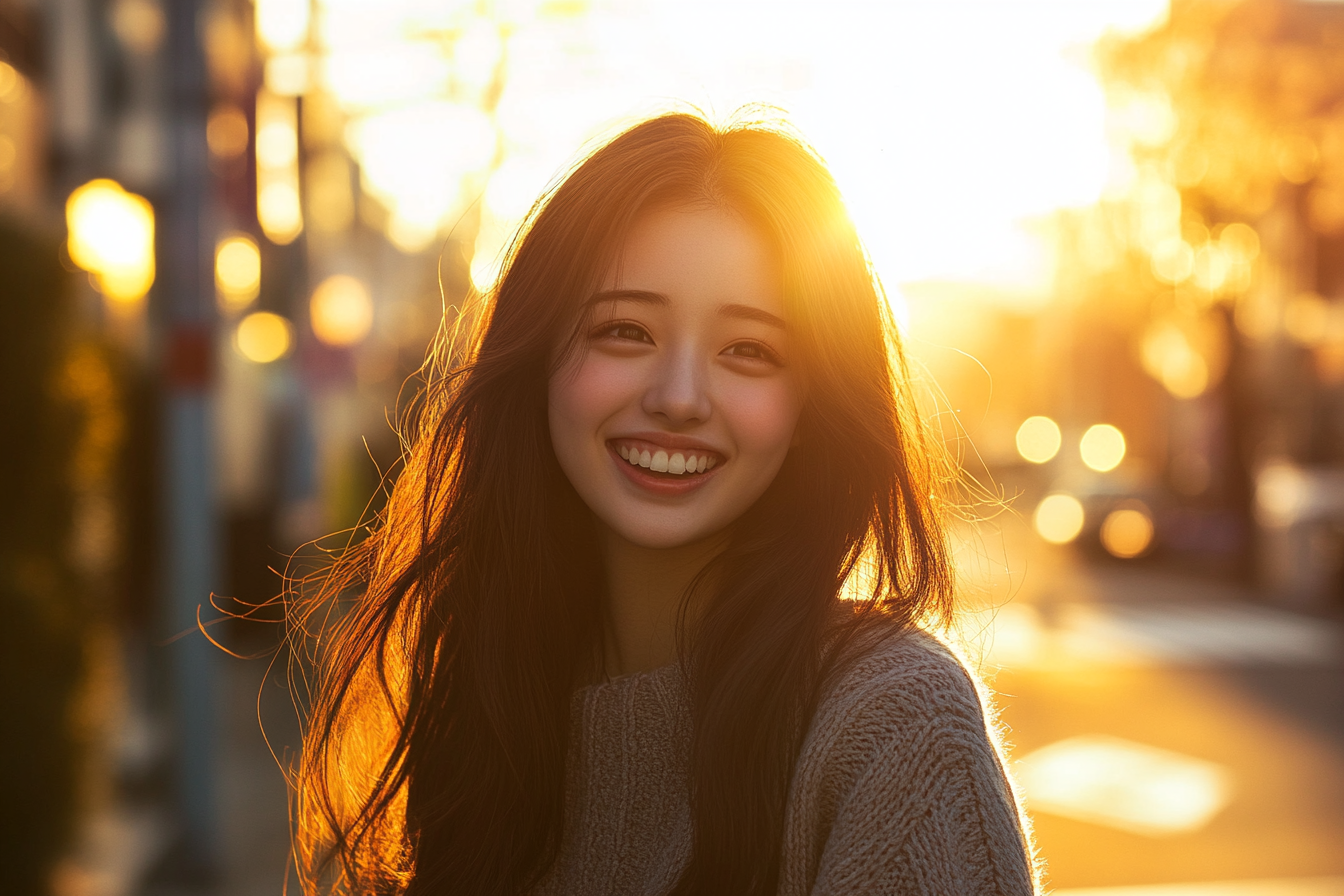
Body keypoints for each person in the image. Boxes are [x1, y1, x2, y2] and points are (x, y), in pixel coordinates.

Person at [291, 111, 1038, 896]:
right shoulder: (487, 704)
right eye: (625, 331)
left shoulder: (895, 730)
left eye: (748, 350)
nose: (680, 397)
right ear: (539, 359)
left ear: (811, 406)